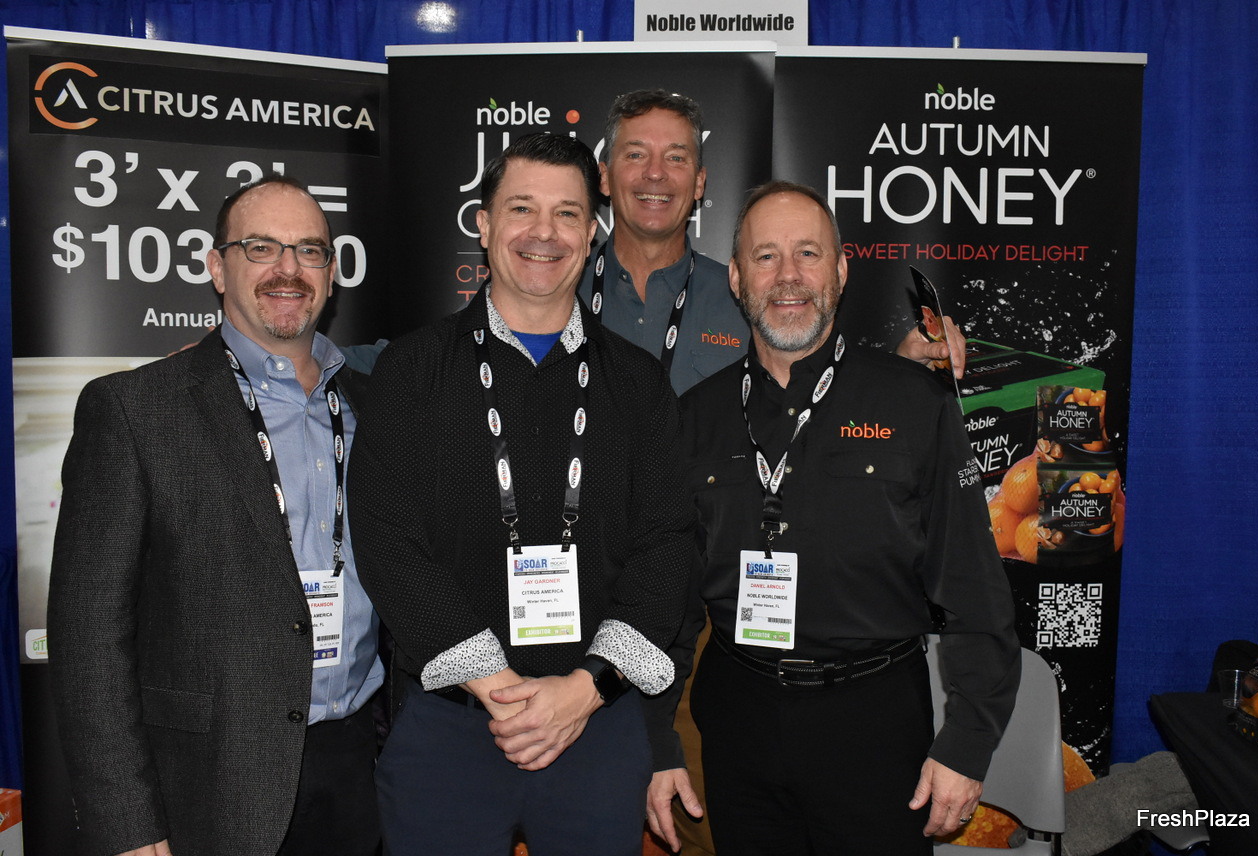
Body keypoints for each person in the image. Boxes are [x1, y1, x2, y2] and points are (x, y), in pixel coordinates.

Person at [646, 181, 1021, 855]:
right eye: (766, 256)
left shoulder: (915, 403)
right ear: (737, 278)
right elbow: (667, 601)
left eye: (808, 253)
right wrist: (657, 738)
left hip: (874, 720)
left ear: (841, 271)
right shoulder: (693, 418)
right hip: (738, 719)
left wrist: (967, 743)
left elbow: (973, 587)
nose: (788, 276)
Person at [346, 133, 696, 856]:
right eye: (522, 208)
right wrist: (498, 685)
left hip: (596, 730)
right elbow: (387, 542)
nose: (544, 232)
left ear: (592, 234)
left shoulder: (639, 383)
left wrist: (584, 689)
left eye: (567, 213)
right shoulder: (410, 371)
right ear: (483, 224)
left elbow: (667, 547)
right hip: (447, 731)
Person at [47, 176, 383, 856]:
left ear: (331, 273)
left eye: (309, 250)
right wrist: (127, 822)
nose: (288, 269)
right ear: (216, 267)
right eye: (261, 247)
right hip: (210, 785)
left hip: (363, 770)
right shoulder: (136, 410)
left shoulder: (375, 406)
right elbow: (88, 634)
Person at [580, 88, 964, 399]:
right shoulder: (561, 292)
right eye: (636, 154)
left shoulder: (754, 296)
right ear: (604, 177)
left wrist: (904, 367)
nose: (655, 173)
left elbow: (815, 402)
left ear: (699, 182)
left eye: (676, 158)